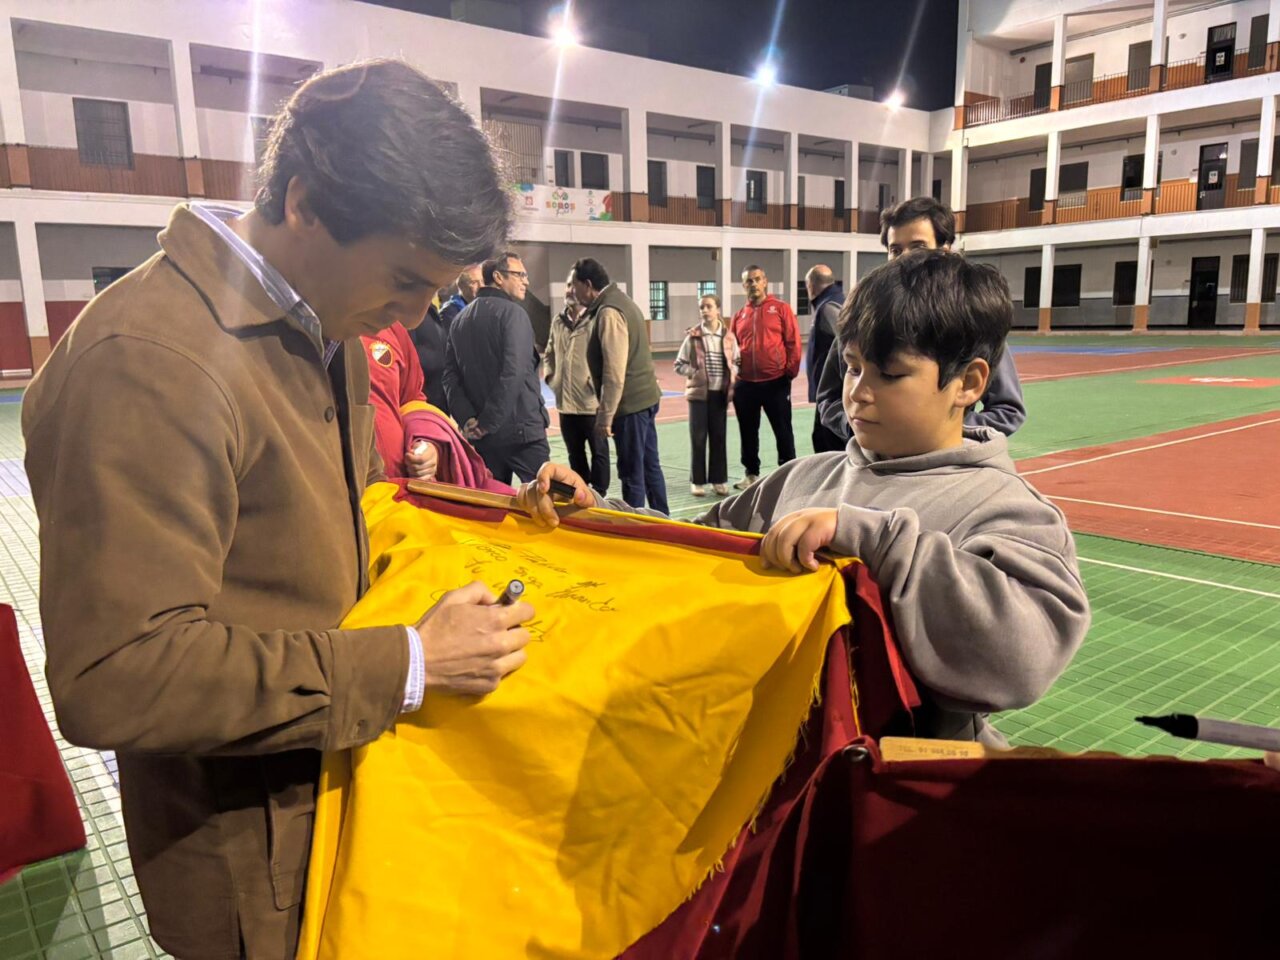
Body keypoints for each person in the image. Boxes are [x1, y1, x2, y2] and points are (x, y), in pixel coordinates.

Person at [21, 60, 535, 960]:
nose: (414, 318)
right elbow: (117, 675)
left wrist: (488, 517)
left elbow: (319, 530)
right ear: (303, 202)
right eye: (407, 280)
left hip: (332, 815)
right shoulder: (149, 361)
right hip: (252, 873)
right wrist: (407, 663)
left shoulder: (316, 325)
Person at [520, 250, 1090, 747]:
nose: (858, 393)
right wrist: (599, 511)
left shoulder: (1007, 509)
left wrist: (876, 538)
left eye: (890, 375)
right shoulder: (805, 477)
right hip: (770, 771)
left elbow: (1022, 662)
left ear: (968, 383)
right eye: (851, 367)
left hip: (885, 797)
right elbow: (697, 545)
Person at [815, 196, 1027, 443]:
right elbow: (828, 397)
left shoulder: (972, 321)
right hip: (871, 466)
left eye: (918, 247)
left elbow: (1008, 411)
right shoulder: (863, 315)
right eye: (895, 250)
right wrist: (853, 424)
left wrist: (937, 428)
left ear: (945, 249)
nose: (906, 258)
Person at [570, 257, 668, 513]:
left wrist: (605, 418)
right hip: (645, 399)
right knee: (649, 466)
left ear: (588, 284)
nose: (571, 291)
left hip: (631, 405)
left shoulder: (609, 312)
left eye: (574, 285)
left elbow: (615, 372)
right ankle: (663, 520)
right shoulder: (622, 302)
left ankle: (635, 529)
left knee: (632, 472)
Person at [443, 251, 551, 484]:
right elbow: (513, 373)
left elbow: (450, 378)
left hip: (484, 440)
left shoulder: (459, 320)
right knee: (544, 505)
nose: (526, 281)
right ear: (498, 277)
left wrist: (469, 420)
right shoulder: (514, 315)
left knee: (494, 508)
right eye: (519, 274)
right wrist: (488, 422)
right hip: (522, 434)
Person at [730, 264, 800, 489]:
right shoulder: (739, 316)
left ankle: (788, 474)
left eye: (757, 279)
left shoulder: (781, 309)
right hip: (746, 384)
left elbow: (793, 342)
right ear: (744, 286)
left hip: (775, 383)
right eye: (748, 281)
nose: (753, 284)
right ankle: (751, 473)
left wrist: (789, 372)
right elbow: (731, 347)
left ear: (765, 281)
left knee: (783, 430)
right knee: (748, 432)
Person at [545, 276, 610, 496]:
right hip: (566, 404)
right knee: (575, 453)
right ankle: (582, 492)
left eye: (574, 287)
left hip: (591, 403)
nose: (570, 291)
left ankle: (600, 493)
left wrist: (595, 383)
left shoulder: (595, 320)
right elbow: (549, 354)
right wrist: (551, 379)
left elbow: (608, 356)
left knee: (599, 452)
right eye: (567, 287)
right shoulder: (557, 321)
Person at [674, 294, 739, 497]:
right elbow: (679, 364)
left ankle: (719, 480)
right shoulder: (692, 337)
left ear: (718, 309)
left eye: (709, 306)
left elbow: (737, 360)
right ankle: (698, 481)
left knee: (719, 438)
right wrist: (693, 371)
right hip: (698, 396)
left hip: (719, 395)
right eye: (702, 307)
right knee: (698, 438)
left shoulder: (729, 337)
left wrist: (733, 375)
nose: (705, 310)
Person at [803, 264, 845, 453]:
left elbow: (849, 341)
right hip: (835, 389)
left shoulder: (828, 307)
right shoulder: (837, 300)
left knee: (825, 441)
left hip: (832, 390)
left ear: (811, 286)